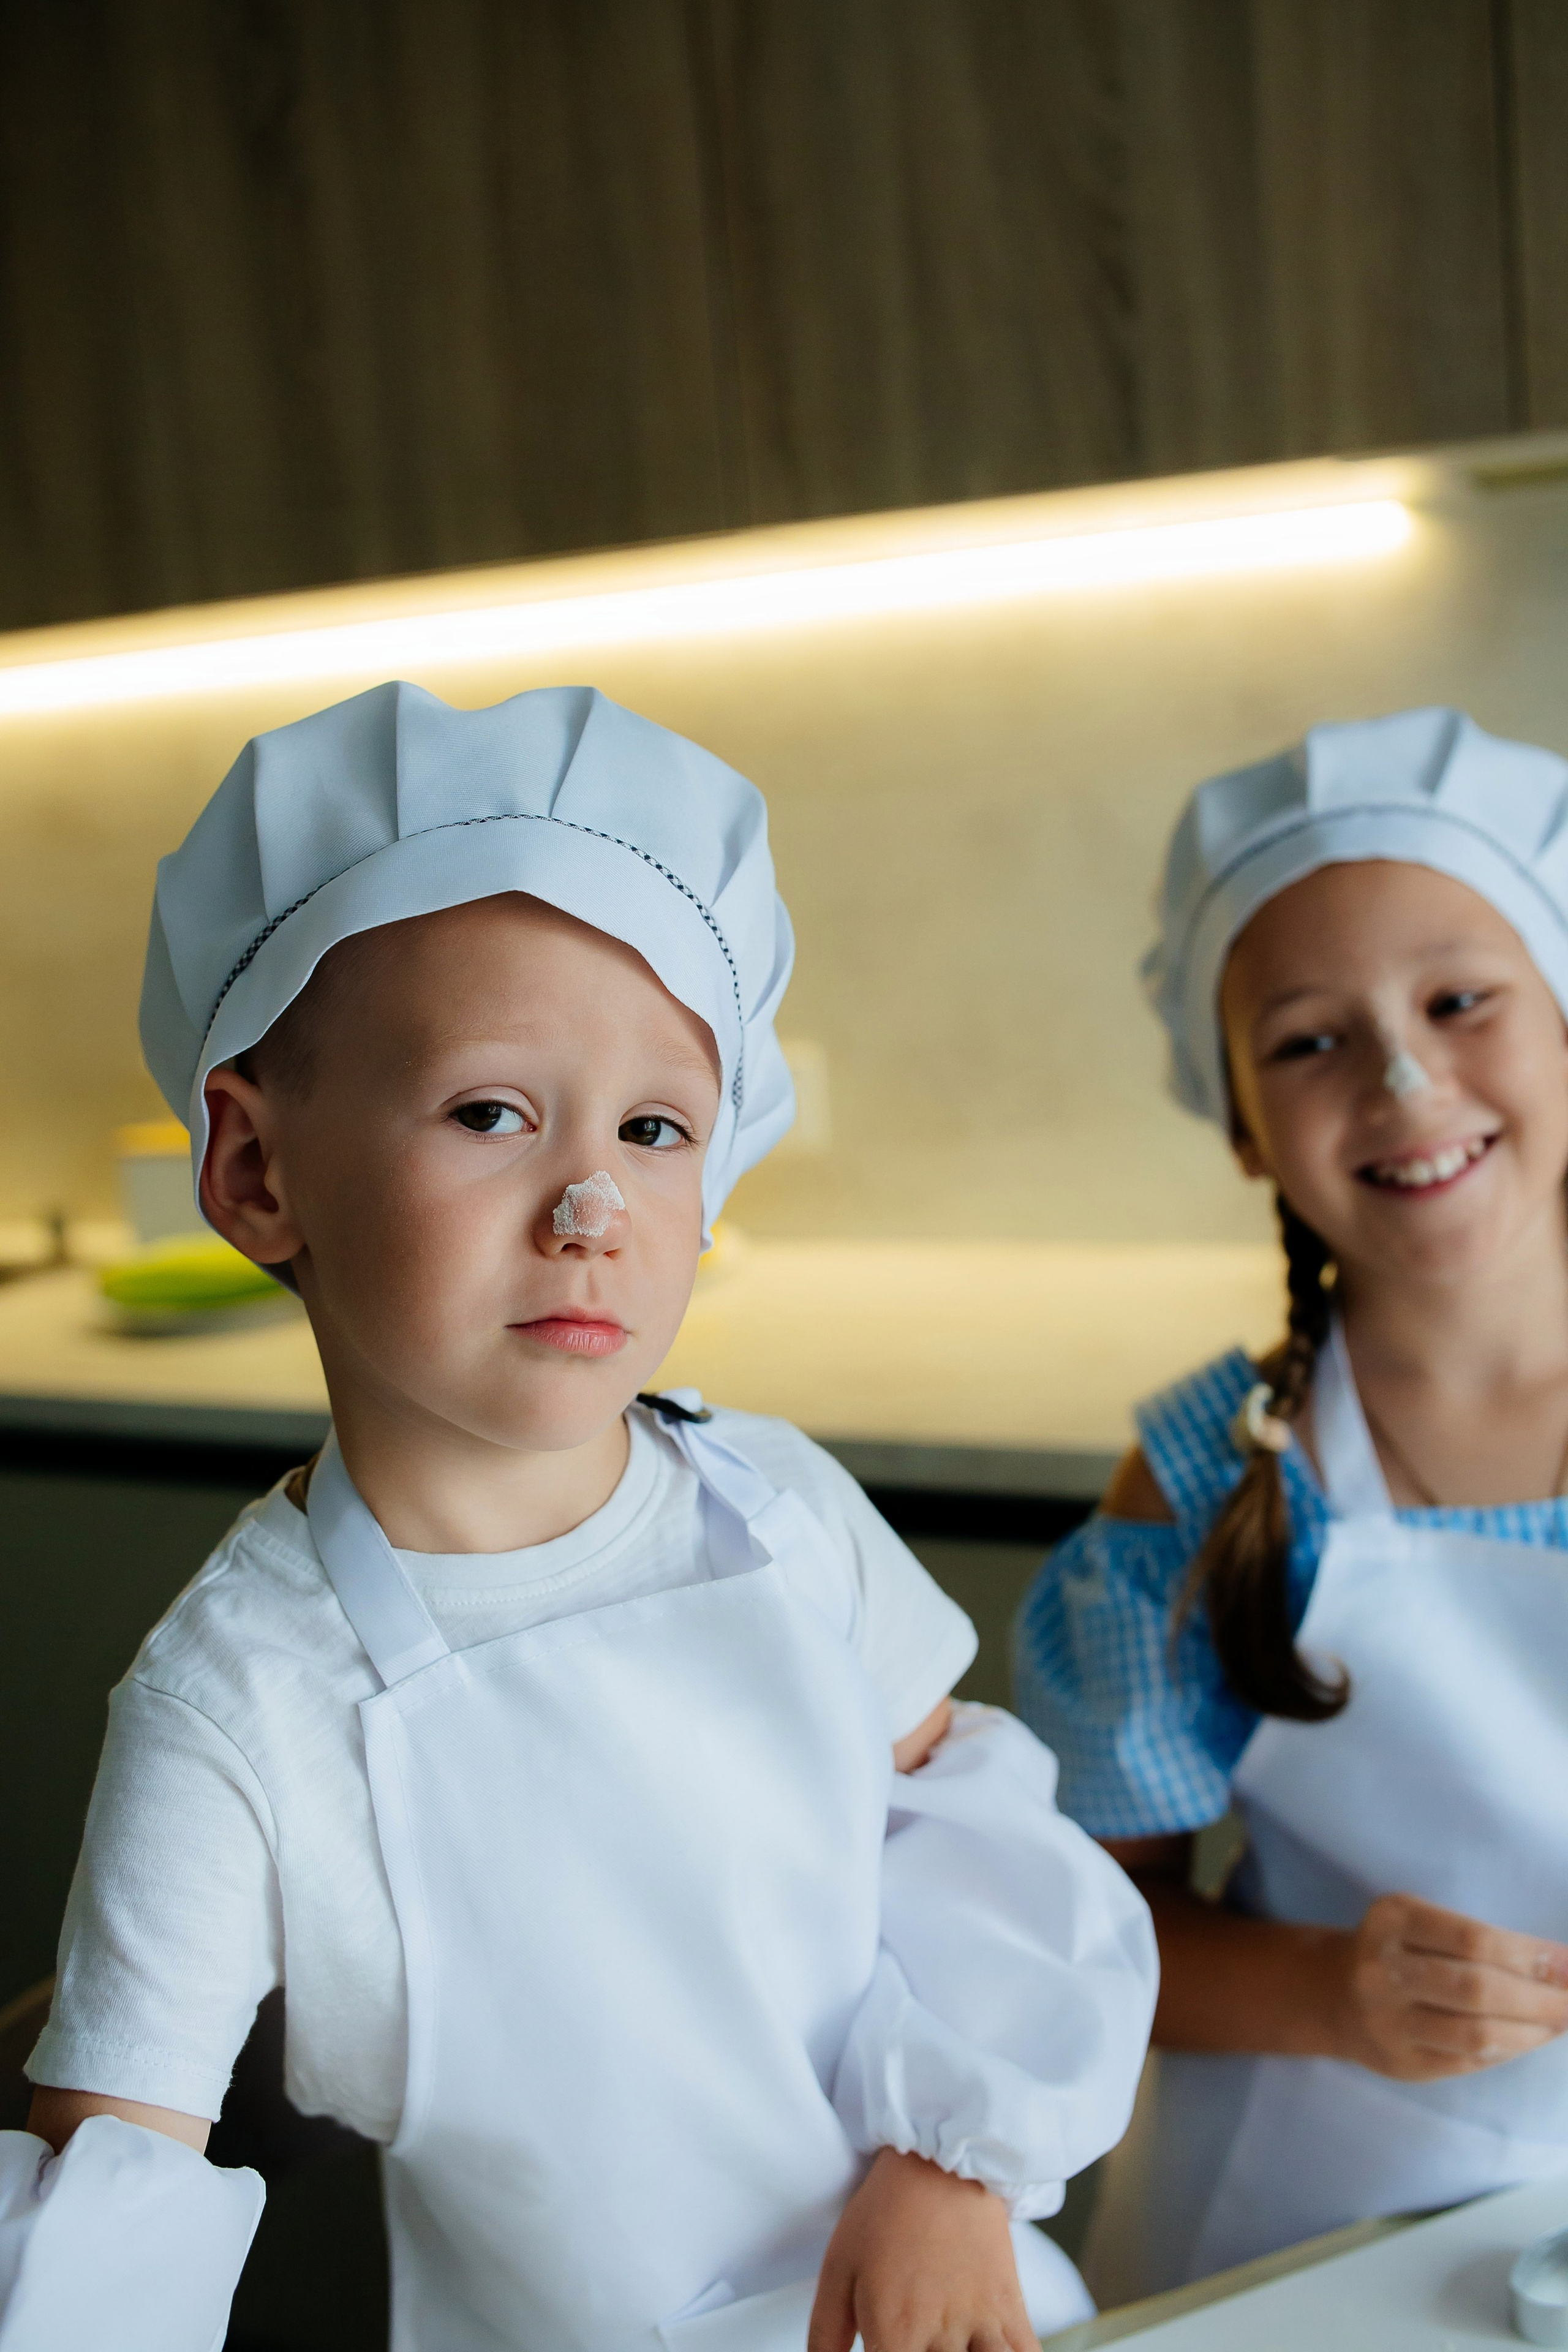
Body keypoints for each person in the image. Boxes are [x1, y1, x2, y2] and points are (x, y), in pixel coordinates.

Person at [1, 681, 1156, 2352]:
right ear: (255, 1172)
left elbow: (972, 1844)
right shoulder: (234, 1704)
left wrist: (952, 2166)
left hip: (930, 2306)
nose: (594, 1204)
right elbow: (117, 2184)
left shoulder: (781, 1514)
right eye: (490, 1112)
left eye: (656, 1128)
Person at [1015, 706, 1568, 2297]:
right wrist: (1337, 1995)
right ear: (1247, 1128)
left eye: (1462, 1000)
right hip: (1314, 2235)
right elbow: (1092, 1931)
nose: (1404, 1077)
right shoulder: (1208, 1482)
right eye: (1310, 1038)